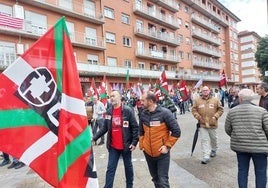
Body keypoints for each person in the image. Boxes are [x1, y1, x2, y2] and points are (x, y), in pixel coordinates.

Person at [93, 90, 139, 188]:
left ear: (119, 97)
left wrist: (134, 142)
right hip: (113, 147)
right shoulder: (109, 111)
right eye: (110, 96)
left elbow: (135, 127)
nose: (112, 98)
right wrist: (94, 137)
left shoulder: (128, 110)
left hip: (126, 146)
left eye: (113, 96)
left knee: (128, 168)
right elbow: (104, 127)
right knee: (110, 169)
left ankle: (129, 186)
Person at [225, 88, 268, 188]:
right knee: (261, 172)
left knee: (242, 171)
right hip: (259, 147)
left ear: (240, 98)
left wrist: (237, 136)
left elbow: (227, 129)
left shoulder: (232, 111)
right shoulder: (262, 111)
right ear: (252, 98)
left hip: (240, 147)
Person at [139, 92, 181, 187]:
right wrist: (142, 145)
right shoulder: (143, 114)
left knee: (163, 181)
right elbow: (141, 131)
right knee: (155, 179)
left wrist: (167, 146)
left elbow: (176, 131)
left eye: (143, 100)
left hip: (162, 154)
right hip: (148, 153)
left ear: (150, 101)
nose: (141, 102)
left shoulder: (165, 113)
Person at [192, 86, 224, 164]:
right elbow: (193, 110)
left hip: (212, 124)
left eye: (206, 90)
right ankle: (206, 156)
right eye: (203, 90)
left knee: (213, 139)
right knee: (204, 140)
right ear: (201, 92)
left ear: (209, 91)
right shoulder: (197, 100)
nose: (205, 92)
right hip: (202, 124)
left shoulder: (215, 100)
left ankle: (214, 149)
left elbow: (221, 109)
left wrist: (215, 116)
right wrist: (198, 116)